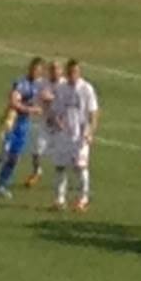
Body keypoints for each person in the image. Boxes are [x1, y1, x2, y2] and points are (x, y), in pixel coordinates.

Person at [0, 58, 42, 199]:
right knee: (4, 153)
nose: (35, 72)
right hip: (12, 121)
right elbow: (13, 102)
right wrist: (31, 109)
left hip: (24, 124)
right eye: (33, 69)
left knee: (15, 157)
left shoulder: (39, 85)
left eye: (38, 70)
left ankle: (1, 185)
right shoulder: (21, 83)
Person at [48, 58, 99, 212]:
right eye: (70, 72)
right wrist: (57, 122)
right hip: (64, 134)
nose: (73, 75)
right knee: (60, 167)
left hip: (80, 134)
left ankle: (83, 198)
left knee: (80, 167)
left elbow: (94, 113)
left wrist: (90, 132)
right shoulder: (62, 88)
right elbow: (55, 109)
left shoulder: (86, 89)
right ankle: (60, 199)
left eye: (75, 72)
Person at [26, 60, 60, 189]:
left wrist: (52, 98)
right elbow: (33, 95)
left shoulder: (64, 85)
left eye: (56, 69)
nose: (54, 72)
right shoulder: (41, 83)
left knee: (67, 154)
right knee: (36, 150)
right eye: (51, 69)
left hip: (61, 125)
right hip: (45, 123)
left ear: (61, 71)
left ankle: (78, 179)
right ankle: (37, 172)